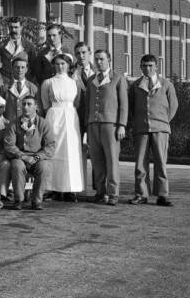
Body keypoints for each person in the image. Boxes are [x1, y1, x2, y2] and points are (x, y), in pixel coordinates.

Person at [128, 55, 178, 207]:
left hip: (160, 129)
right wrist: (136, 122)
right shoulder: (136, 86)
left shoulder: (166, 85)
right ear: (140, 67)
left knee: (160, 162)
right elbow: (131, 107)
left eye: (150, 65)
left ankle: (162, 195)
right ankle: (141, 194)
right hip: (141, 128)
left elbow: (174, 106)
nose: (147, 69)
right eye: (144, 66)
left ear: (156, 66)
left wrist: (163, 121)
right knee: (140, 163)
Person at [85, 49, 128, 205]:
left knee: (111, 160)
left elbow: (124, 105)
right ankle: (100, 191)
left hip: (111, 125)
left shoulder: (117, 79)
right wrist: (86, 126)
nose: (98, 62)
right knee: (97, 160)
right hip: (93, 124)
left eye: (102, 59)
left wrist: (122, 125)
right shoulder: (91, 80)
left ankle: (113, 193)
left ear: (109, 60)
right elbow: (87, 106)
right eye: (96, 59)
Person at [39, 53, 83, 201]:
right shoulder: (48, 82)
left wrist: (68, 111)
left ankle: (70, 189)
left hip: (70, 117)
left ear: (68, 65)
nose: (60, 66)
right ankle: (53, 188)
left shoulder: (74, 82)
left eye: (63, 64)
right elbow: (45, 104)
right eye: (57, 64)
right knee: (54, 151)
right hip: (53, 116)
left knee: (70, 151)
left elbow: (77, 102)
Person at [4, 94, 56, 210]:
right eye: (24, 104)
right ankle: (19, 200)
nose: (26, 107)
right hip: (20, 157)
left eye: (29, 104)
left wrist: (37, 157)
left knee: (44, 167)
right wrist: (22, 156)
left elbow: (50, 145)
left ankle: (37, 200)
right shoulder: (14, 124)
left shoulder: (43, 123)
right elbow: (9, 145)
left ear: (35, 107)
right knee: (17, 166)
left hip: (37, 158)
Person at [5, 58, 39, 123]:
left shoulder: (33, 88)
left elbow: (38, 109)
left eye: (22, 67)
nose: (20, 70)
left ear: (26, 69)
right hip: (9, 125)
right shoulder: (4, 88)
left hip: (28, 125)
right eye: (17, 67)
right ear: (12, 69)